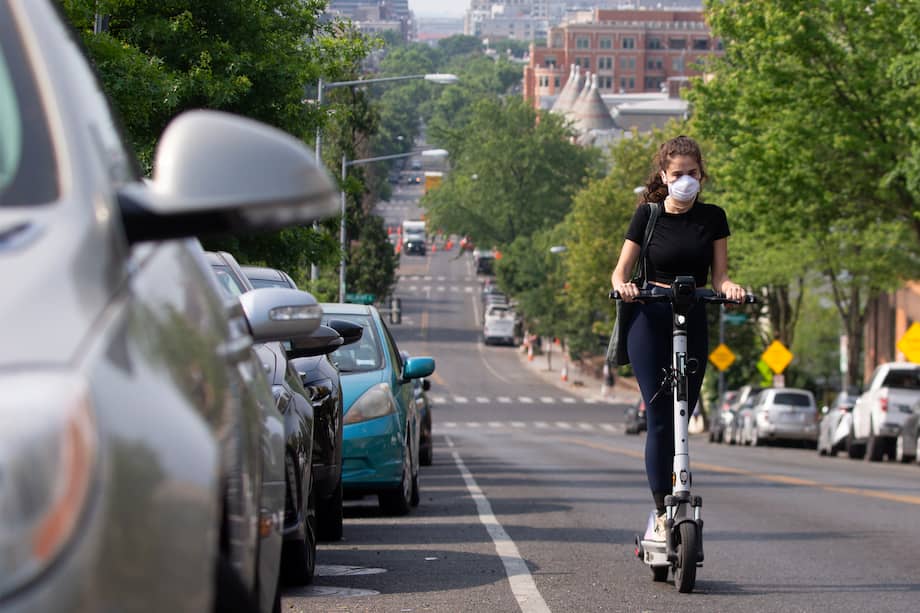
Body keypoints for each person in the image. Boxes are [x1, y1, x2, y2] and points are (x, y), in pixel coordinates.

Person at [610, 135, 745, 541]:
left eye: (692, 173)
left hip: (692, 318)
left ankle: (679, 491)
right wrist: (626, 287)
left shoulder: (713, 218)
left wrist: (731, 287)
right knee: (660, 421)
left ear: (701, 175)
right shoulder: (647, 216)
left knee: (682, 416)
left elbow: (719, 276)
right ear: (664, 177)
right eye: (677, 174)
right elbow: (620, 273)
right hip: (650, 320)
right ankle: (661, 511)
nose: (685, 180)